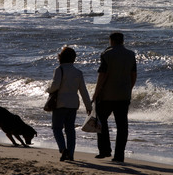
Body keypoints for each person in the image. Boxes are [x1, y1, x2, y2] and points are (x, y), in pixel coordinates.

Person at [92, 32, 137, 163]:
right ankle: (119, 155)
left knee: (101, 120)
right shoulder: (131, 54)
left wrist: (96, 93)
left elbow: (102, 75)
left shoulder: (107, 54)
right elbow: (133, 75)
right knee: (122, 125)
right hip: (124, 94)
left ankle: (105, 150)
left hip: (107, 94)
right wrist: (129, 88)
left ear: (111, 41)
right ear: (122, 41)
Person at [47, 46, 92, 162]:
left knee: (57, 128)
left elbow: (55, 86)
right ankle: (71, 153)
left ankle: (63, 149)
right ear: (73, 58)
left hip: (60, 103)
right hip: (73, 104)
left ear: (61, 57)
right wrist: (88, 106)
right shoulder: (78, 72)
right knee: (70, 130)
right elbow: (83, 90)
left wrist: (48, 90)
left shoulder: (59, 70)